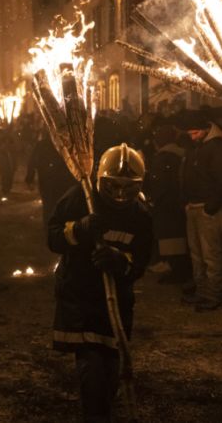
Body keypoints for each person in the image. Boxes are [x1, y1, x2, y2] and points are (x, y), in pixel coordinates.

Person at [47, 143, 152, 423]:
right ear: (101, 180)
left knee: (111, 367)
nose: (120, 194)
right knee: (92, 366)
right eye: (113, 186)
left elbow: (142, 260)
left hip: (116, 300)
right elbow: (53, 238)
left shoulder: (140, 215)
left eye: (128, 188)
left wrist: (121, 262)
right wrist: (79, 229)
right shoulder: (79, 199)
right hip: (80, 295)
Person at [179, 109, 222, 311]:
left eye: (195, 133)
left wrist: (211, 207)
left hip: (208, 209)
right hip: (195, 206)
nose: (193, 137)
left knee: (211, 254)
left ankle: (214, 293)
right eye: (190, 134)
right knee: (197, 254)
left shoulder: (216, 147)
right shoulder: (198, 146)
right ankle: (202, 290)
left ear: (205, 129)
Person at [145, 123, 190, 286]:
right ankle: (178, 269)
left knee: (170, 238)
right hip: (177, 203)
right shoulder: (181, 154)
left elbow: (159, 182)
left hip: (166, 204)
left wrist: (153, 198)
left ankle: (176, 270)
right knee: (177, 237)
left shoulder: (163, 157)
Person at [25, 129, 78, 226]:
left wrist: (29, 179)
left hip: (53, 182)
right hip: (53, 182)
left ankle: (54, 226)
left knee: (51, 206)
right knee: (55, 206)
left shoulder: (46, 145)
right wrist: (29, 178)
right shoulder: (62, 145)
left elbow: (32, 163)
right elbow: (33, 162)